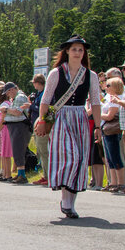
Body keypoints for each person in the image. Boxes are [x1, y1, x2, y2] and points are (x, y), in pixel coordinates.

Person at [36, 35, 101, 219]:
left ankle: (70, 203)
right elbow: (46, 101)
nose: (78, 53)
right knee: (69, 156)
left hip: (80, 117)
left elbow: (96, 102)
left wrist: (97, 126)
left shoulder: (91, 75)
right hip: (61, 117)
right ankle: (65, 199)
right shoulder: (56, 73)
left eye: (81, 50)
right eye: (74, 49)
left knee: (80, 159)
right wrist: (43, 121)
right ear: (67, 51)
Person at [1, 82, 31, 184]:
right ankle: (20, 173)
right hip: (15, 126)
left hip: (19, 126)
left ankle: (22, 175)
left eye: (8, 92)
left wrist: (6, 109)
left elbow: (18, 112)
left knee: (18, 149)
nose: (8, 95)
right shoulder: (16, 98)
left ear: (12, 90)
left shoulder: (20, 97)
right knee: (16, 150)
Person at [100, 77, 125, 192]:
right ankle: (113, 182)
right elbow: (105, 106)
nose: (106, 87)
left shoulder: (118, 98)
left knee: (115, 157)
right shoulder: (109, 97)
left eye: (109, 85)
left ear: (115, 86)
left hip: (113, 129)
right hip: (106, 129)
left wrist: (98, 115)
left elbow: (110, 116)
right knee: (110, 158)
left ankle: (120, 183)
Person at [28, 74, 49, 185]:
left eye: (34, 82)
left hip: (43, 123)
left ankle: (48, 176)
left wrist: (30, 106)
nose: (34, 85)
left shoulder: (46, 93)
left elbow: (47, 109)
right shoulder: (39, 93)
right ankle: (45, 174)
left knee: (44, 151)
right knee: (40, 151)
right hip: (37, 123)